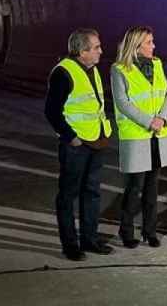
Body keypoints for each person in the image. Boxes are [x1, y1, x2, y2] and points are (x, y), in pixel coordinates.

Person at [44, 28, 114, 261]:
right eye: (96, 47)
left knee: (92, 192)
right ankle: (70, 245)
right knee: (68, 194)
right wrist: (70, 136)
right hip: (76, 144)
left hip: (96, 140)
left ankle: (90, 239)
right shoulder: (63, 72)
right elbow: (52, 112)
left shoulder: (92, 70)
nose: (100, 51)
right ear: (82, 51)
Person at [111, 26, 167, 248]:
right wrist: (150, 121)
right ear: (136, 45)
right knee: (134, 187)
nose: (154, 46)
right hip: (137, 136)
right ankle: (126, 230)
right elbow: (122, 102)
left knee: (152, 187)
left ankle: (150, 231)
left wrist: (163, 118)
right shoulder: (119, 69)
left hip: (158, 135)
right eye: (149, 42)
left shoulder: (157, 64)